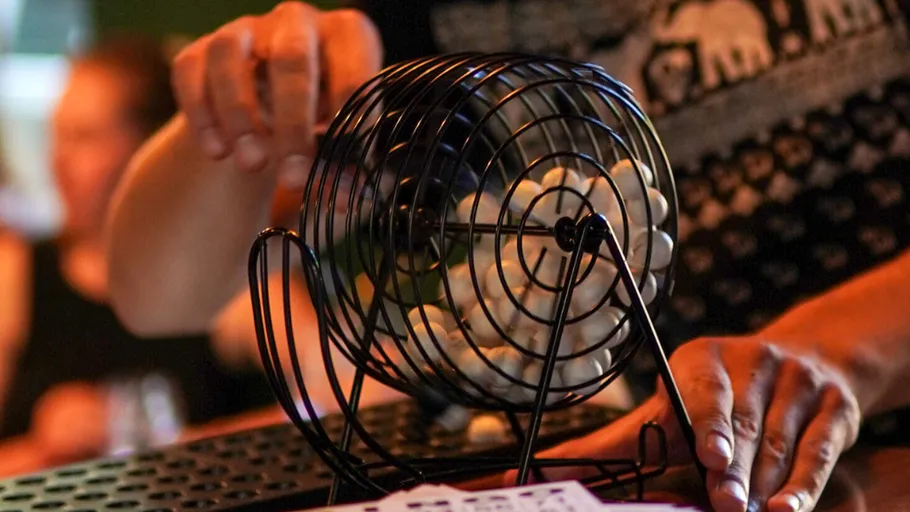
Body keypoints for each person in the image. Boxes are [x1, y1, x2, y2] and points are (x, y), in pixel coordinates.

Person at [105, 2, 910, 511]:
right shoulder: (435, 24)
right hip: (611, 476)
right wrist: (237, 104)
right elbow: (155, 297)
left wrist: (820, 355)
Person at [0, 34, 277, 476]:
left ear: (150, 153)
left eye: (83, 138)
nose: (58, 160)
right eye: (57, 136)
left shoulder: (228, 276)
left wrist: (171, 445)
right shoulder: (14, 274)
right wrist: (43, 447)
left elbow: (332, 409)